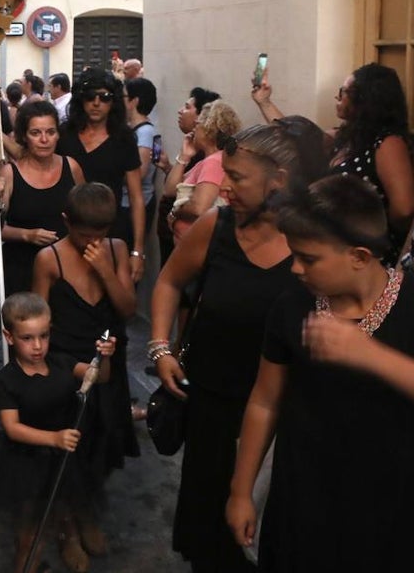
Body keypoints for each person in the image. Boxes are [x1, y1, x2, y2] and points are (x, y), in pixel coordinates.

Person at [149, 121, 323, 573]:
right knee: (210, 537)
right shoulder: (216, 227)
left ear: (278, 180)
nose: (224, 187)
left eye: (238, 178)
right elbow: (169, 281)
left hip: (281, 419)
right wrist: (160, 347)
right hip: (211, 407)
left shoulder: (313, 243)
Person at [226, 175, 414, 572]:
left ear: (359, 256)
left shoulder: (410, 307)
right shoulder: (293, 306)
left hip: (388, 504)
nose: (295, 268)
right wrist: (241, 490)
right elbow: (264, 400)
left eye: (308, 258)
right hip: (303, 493)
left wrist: (369, 354)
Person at [31, 183, 137, 558]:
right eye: (82, 234)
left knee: (100, 444)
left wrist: (106, 271)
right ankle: (65, 525)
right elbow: (37, 322)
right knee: (66, 450)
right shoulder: (49, 259)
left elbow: (126, 308)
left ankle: (86, 510)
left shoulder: (116, 250)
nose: (91, 241)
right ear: (65, 222)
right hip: (65, 362)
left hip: (107, 359)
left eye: (100, 234)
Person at [0, 294, 116, 573]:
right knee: (30, 528)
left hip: (65, 453)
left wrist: (105, 358)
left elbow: (99, 376)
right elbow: (12, 428)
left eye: (44, 335)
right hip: (26, 460)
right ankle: (26, 563)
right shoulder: (8, 379)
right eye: (27, 338)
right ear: (9, 336)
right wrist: (53, 438)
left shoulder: (62, 362)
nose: (38, 346)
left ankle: (69, 537)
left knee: (66, 503)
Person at [252, 63, 414, 260]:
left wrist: (368, 230)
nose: (337, 98)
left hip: (366, 252)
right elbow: (295, 138)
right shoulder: (344, 138)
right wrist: (265, 102)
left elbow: (403, 209)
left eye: (343, 92)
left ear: (364, 98)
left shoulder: (388, 143)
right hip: (334, 243)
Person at [58, 69, 147, 282]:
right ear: (81, 99)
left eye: (105, 97)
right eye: (90, 96)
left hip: (110, 230)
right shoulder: (64, 134)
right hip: (67, 228)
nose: (96, 103)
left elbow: (136, 197)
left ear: (113, 102)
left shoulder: (124, 138)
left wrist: (137, 250)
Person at [0, 100, 87, 291]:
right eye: (35, 133)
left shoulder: (71, 167)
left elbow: (86, 215)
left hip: (66, 270)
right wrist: (26, 235)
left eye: (50, 132)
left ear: (58, 135)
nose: (44, 140)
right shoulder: (10, 173)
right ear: (24, 136)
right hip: (22, 270)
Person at [165, 100, 242, 242]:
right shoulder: (207, 161)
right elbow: (170, 191)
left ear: (208, 129)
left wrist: (176, 212)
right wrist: (183, 157)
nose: (194, 129)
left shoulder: (214, 162)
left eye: (197, 124)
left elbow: (199, 208)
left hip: (200, 245)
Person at [123, 76, 159, 243]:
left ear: (134, 101)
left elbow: (140, 172)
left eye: (124, 97)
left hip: (134, 205)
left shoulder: (144, 132)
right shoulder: (135, 129)